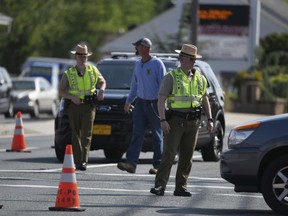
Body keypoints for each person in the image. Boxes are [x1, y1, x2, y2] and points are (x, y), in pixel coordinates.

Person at [150, 44, 214, 196]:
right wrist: (163, 120)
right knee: (169, 154)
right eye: (191, 59)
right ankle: (160, 186)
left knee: (187, 156)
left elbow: (205, 99)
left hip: (194, 122)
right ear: (182, 59)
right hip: (175, 121)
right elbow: (161, 99)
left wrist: (210, 119)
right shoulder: (171, 77)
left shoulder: (200, 78)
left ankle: (181, 186)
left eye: (194, 59)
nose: (193, 62)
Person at [117, 38, 166, 174]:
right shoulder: (138, 64)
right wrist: (129, 101)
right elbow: (134, 84)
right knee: (137, 133)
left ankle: (158, 165)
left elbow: (163, 85)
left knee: (157, 135)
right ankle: (131, 163)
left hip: (154, 104)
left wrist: (163, 103)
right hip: (140, 103)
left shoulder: (157, 64)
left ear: (145, 47)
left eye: (138, 46)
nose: (136, 49)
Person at [59, 43, 106, 171]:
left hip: (89, 106)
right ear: (76, 57)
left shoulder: (93, 70)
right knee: (75, 134)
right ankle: (78, 160)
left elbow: (102, 81)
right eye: (80, 56)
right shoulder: (69, 73)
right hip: (74, 106)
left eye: (84, 56)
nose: (82, 58)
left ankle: (84, 161)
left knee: (87, 134)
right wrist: (71, 97)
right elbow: (61, 91)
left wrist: (101, 90)